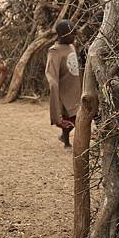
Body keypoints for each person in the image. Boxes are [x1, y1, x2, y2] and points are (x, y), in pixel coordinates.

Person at [45, 19, 82, 148]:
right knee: (70, 117)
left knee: (75, 117)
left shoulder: (71, 46)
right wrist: (55, 91)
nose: (74, 36)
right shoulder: (55, 51)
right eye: (71, 34)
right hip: (64, 90)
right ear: (62, 35)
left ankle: (64, 137)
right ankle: (67, 141)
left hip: (75, 87)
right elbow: (51, 73)